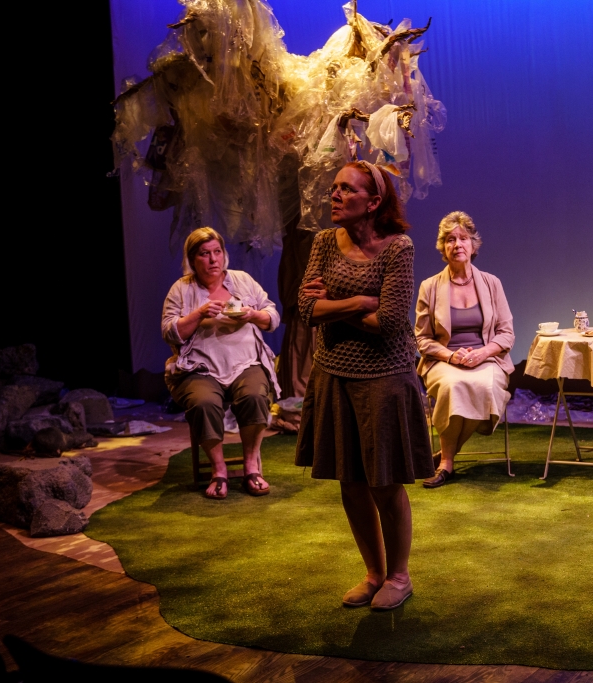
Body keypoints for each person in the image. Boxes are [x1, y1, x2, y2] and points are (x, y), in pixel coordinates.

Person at [296, 160, 434, 610]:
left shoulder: (398, 248)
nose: (334, 195)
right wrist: (358, 301)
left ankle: (399, 576)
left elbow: (391, 322)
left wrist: (331, 306)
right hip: (333, 372)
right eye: (334, 188)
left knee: (384, 482)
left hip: (384, 376)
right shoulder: (323, 242)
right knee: (350, 481)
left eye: (346, 189)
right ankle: (374, 573)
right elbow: (305, 309)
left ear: (373, 202)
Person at [162, 227, 281, 499]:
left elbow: (272, 316)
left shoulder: (242, 280)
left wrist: (252, 315)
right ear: (192, 259)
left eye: (217, 252)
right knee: (203, 402)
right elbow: (169, 331)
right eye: (204, 254)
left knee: (255, 396)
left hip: (246, 363)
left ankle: (251, 466)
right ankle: (219, 470)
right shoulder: (182, 289)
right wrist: (198, 314)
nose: (213, 259)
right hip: (199, 368)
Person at [414, 211, 515, 488]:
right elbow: (422, 339)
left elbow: (506, 334)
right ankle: (447, 463)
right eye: (450, 239)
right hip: (443, 361)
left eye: (463, 238)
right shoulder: (429, 287)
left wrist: (482, 353)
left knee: (486, 386)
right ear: (443, 247)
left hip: (487, 359)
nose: (457, 244)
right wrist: (451, 355)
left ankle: (447, 455)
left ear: (473, 244)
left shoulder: (492, 284)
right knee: (452, 386)